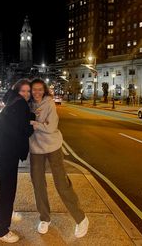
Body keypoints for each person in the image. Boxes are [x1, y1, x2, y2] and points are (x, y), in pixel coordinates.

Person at [29, 78, 89, 238]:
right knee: (38, 184)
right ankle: (44, 218)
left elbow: (51, 127)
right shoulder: (28, 104)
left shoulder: (49, 104)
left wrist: (36, 124)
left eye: (40, 89)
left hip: (53, 146)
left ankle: (81, 218)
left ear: (45, 90)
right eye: (34, 89)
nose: (37, 92)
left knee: (61, 183)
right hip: (35, 148)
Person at [0, 79, 34, 243]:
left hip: (0, 151)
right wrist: (33, 126)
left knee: (5, 189)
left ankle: (7, 214)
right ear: (17, 91)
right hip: (8, 154)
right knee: (7, 191)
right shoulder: (20, 105)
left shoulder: (11, 102)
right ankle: (0, 230)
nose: (26, 95)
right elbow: (21, 130)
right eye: (23, 91)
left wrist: (30, 118)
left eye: (28, 92)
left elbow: (14, 123)